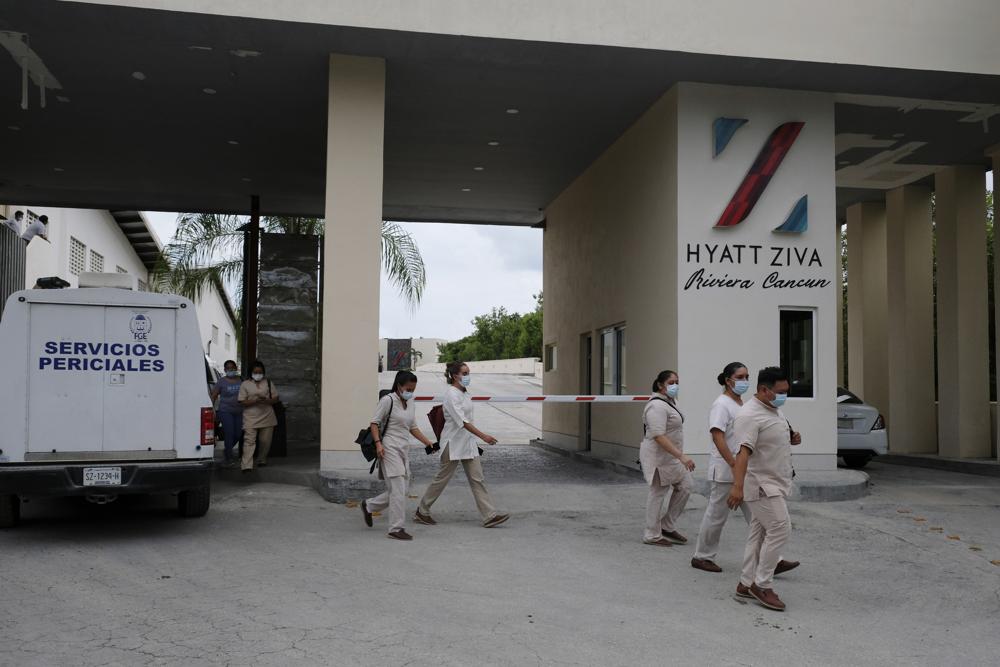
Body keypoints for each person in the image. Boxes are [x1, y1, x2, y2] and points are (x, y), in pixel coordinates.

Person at [692, 363, 799, 574]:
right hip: (727, 469)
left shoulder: (742, 404)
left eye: (747, 376)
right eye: (740, 377)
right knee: (716, 515)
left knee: (757, 518)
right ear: (728, 379)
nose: (744, 381)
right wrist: (733, 464)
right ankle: (702, 556)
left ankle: (772, 560)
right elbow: (717, 435)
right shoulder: (721, 404)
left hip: (746, 469)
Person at [728, 366, 802, 612]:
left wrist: (792, 437)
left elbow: (772, 437)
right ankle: (763, 584)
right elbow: (742, 453)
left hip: (776, 481)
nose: (784, 396)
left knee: (758, 534)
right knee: (781, 527)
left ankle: (746, 583)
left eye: (786, 391)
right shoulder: (749, 415)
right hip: (760, 485)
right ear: (763, 390)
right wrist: (737, 488)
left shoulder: (774, 410)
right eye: (780, 392)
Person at [414, 361, 509, 528]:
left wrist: (477, 438)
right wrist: (483, 436)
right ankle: (422, 511)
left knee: (477, 478)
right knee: (441, 479)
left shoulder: (465, 394)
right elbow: (463, 422)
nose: (468, 376)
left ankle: (489, 516)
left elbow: (467, 420)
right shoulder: (452, 395)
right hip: (453, 443)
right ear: (454, 376)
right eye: (465, 373)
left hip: (468, 443)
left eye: (468, 373)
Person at [361, 370, 436, 540]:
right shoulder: (388, 401)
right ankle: (396, 528)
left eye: (413, 389)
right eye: (408, 388)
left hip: (403, 449)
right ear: (399, 386)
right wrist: (379, 444)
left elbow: (413, 427)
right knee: (397, 489)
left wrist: (428, 442)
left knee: (400, 490)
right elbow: (374, 423)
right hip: (388, 449)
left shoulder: (411, 403)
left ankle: (369, 506)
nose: (410, 392)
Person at [639, 370, 695, 547]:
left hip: (671, 457)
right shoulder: (656, 406)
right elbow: (658, 435)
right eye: (671, 382)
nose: (675, 385)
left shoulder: (669, 402)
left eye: (677, 382)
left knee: (686, 486)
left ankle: (667, 525)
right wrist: (682, 456)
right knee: (658, 492)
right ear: (660, 385)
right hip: (659, 457)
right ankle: (651, 534)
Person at [237, 360, 279, 473]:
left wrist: (267, 400)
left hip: (267, 416)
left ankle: (261, 459)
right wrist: (254, 401)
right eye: (255, 372)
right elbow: (241, 402)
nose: (258, 374)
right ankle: (246, 466)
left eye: (260, 372)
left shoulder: (269, 383)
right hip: (250, 417)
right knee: (249, 440)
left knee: (265, 441)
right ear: (251, 372)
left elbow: (276, 398)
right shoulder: (245, 384)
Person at [210, 360, 243, 467]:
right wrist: (211, 410)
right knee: (229, 433)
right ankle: (229, 457)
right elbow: (213, 396)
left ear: (236, 368)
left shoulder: (241, 380)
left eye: (233, 368)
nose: (231, 370)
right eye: (228, 368)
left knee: (238, 434)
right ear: (225, 370)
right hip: (225, 411)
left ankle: (227, 450)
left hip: (239, 412)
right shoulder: (221, 382)